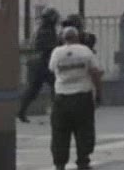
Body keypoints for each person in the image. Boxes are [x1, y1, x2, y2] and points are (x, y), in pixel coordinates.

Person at [47, 25, 103, 170]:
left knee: (60, 132)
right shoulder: (85, 51)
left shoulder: (56, 52)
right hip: (82, 96)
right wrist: (98, 93)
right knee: (84, 130)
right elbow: (95, 72)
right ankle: (83, 161)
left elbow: (52, 69)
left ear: (62, 38)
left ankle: (60, 163)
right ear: (78, 37)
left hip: (62, 98)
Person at [17, 8, 62, 122]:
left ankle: (21, 111)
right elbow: (48, 48)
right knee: (55, 86)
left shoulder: (44, 30)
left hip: (38, 64)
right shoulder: (46, 32)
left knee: (33, 90)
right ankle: (56, 112)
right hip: (44, 64)